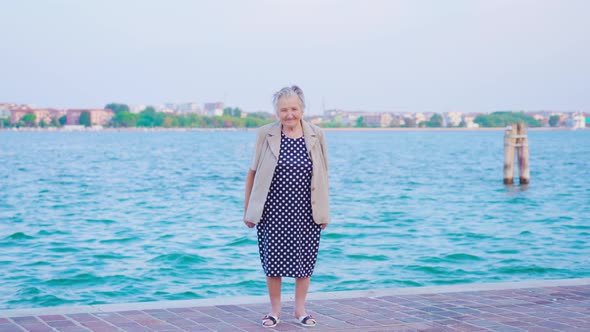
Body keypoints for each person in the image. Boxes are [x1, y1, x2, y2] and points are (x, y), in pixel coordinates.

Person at [243, 85, 330, 328]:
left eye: (293, 108)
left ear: (302, 109)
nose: (289, 114)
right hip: (272, 211)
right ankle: (274, 311)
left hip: (306, 211)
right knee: (273, 262)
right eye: (283, 109)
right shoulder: (265, 134)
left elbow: (323, 175)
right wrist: (248, 211)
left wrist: (324, 211)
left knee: (305, 263)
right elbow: (251, 174)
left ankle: (300, 311)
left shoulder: (317, 134)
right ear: (277, 112)